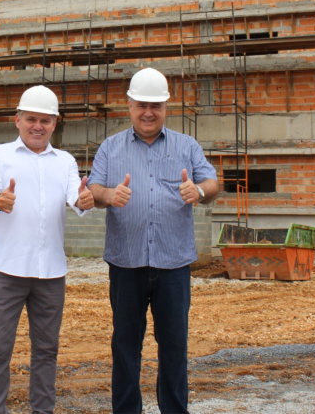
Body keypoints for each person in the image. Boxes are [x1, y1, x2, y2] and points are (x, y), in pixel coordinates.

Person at [87, 67, 219, 414]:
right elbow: (93, 189)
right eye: (142, 105)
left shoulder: (186, 146)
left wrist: (199, 190)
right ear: (129, 105)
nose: (148, 112)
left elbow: (213, 184)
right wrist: (108, 194)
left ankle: (174, 410)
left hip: (173, 264)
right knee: (125, 346)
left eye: (156, 106)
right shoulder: (110, 147)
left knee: (174, 346)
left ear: (165, 108)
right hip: (125, 264)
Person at [0, 85, 93, 414]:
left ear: (55, 123)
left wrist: (86, 199)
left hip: (51, 273)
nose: (37, 126)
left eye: (45, 120)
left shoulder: (65, 162)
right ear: (17, 120)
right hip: (7, 271)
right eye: (31, 119)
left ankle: (43, 410)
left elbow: (77, 197)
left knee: (46, 349)